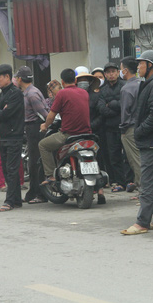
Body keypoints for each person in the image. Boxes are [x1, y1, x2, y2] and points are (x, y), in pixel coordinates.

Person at [120, 50, 153, 235]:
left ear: (150, 66)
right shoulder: (151, 83)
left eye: (142, 63)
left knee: (148, 183)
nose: (138, 67)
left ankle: (142, 222)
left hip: (152, 141)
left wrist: (140, 130)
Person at [39, 69, 91, 184]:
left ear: (62, 82)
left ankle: (50, 175)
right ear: (75, 80)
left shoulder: (62, 94)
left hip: (69, 135)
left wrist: (44, 125)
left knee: (43, 145)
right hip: (87, 134)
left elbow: (51, 116)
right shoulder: (84, 93)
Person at [0, 64, 25, 212]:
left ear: (7, 77)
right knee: (7, 169)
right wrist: (1, 111)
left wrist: (2, 112)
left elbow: (6, 114)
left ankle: (9, 201)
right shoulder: (1, 95)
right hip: (3, 136)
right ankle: (17, 200)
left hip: (14, 136)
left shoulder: (15, 94)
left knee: (12, 170)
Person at [14, 66, 49, 205]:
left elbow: (43, 114)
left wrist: (45, 126)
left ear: (20, 79)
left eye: (17, 77)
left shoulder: (31, 94)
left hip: (35, 128)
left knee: (36, 163)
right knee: (32, 162)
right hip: (31, 129)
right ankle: (32, 192)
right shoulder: (28, 92)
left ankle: (41, 194)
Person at [76, 71, 106, 205]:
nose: (83, 82)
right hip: (78, 133)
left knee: (97, 161)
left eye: (85, 80)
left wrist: (90, 125)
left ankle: (100, 191)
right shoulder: (75, 96)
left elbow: (101, 114)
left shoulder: (97, 96)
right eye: (80, 80)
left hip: (95, 133)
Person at [97, 62, 127, 191]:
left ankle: (130, 181)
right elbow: (102, 109)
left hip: (124, 127)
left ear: (117, 72)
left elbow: (126, 105)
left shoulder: (124, 86)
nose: (111, 74)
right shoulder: (102, 91)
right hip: (110, 128)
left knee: (128, 156)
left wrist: (113, 104)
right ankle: (119, 182)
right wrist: (116, 109)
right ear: (105, 74)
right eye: (108, 72)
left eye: (113, 71)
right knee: (114, 156)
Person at [119, 56, 141, 194]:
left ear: (126, 70)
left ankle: (142, 191)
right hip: (142, 126)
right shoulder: (142, 84)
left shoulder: (126, 89)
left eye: (121, 69)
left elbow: (125, 112)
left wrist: (122, 129)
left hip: (130, 128)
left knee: (135, 161)